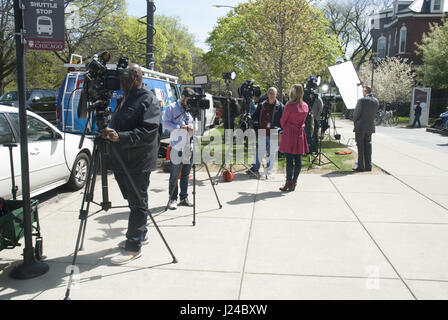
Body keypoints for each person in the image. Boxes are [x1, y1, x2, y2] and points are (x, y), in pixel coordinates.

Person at [99, 63, 161, 265]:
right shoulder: (124, 97)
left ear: (136, 77)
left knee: (137, 202)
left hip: (138, 161)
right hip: (120, 159)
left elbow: (149, 131)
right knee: (131, 199)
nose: (121, 83)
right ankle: (141, 233)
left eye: (125, 78)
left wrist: (121, 137)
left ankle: (133, 246)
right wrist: (109, 131)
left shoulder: (148, 99)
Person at [163, 88, 196, 210]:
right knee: (174, 175)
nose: (189, 103)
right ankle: (173, 199)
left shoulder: (189, 109)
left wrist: (192, 127)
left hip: (189, 146)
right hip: (176, 146)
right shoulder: (171, 108)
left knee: (186, 175)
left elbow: (192, 123)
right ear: (182, 96)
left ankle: (184, 197)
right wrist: (180, 127)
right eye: (187, 100)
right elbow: (166, 123)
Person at [279, 84, 309, 191]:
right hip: (300, 133)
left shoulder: (289, 105)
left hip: (290, 133)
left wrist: (284, 125)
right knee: (298, 159)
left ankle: (288, 182)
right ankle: (294, 182)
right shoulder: (305, 105)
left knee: (289, 159)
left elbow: (283, 120)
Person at [248, 87, 284, 176]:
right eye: (270, 93)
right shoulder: (262, 104)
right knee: (260, 150)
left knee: (271, 152)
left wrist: (281, 132)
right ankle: (255, 168)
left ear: (276, 95)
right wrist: (249, 116)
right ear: (267, 94)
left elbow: (283, 120)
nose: (271, 95)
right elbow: (255, 115)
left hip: (274, 132)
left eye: (273, 93)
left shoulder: (280, 106)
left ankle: (268, 169)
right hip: (262, 131)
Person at [352, 86, 379, 172]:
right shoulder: (376, 101)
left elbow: (356, 114)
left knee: (360, 146)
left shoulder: (362, 100)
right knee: (368, 146)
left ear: (365, 91)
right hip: (370, 126)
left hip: (361, 126)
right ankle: (368, 165)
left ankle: (361, 166)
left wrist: (355, 122)